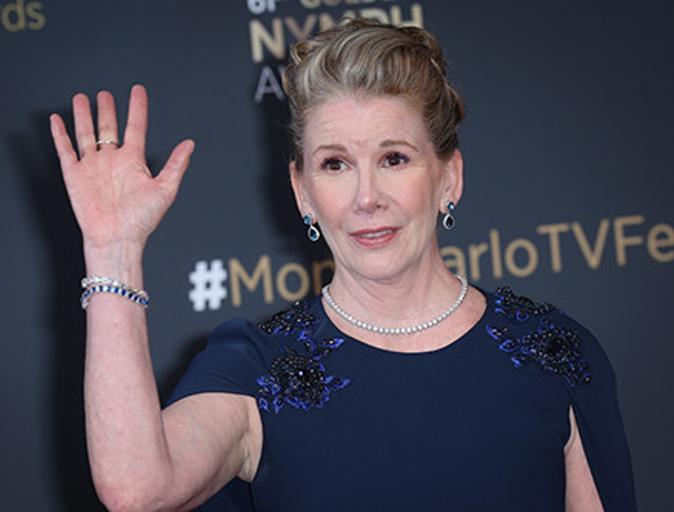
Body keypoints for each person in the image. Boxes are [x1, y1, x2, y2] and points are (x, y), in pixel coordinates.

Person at [49, 18, 636, 512]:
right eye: (335, 164)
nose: (366, 197)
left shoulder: (554, 353)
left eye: (394, 158)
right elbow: (138, 489)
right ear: (302, 192)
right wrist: (113, 249)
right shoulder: (257, 369)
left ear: (448, 177)